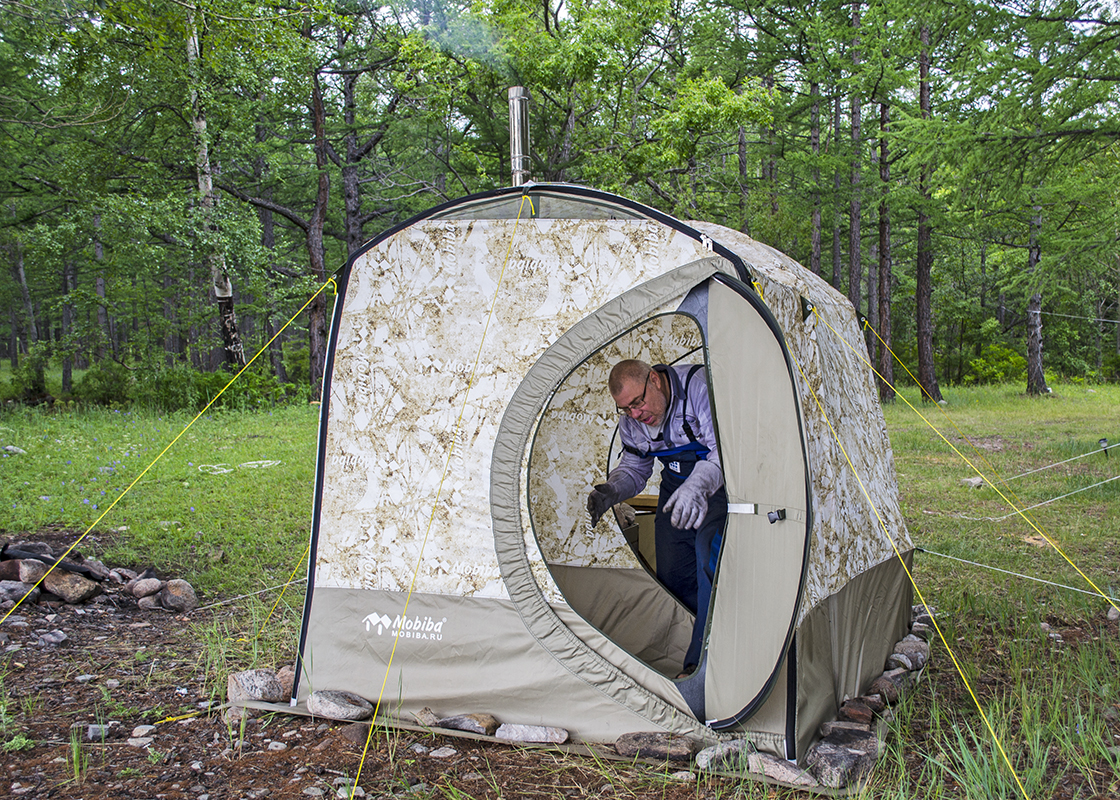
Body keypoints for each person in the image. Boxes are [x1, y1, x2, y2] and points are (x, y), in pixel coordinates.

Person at [587, 359, 727, 678]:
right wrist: (611, 490)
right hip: (675, 486)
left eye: (638, 402)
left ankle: (702, 665)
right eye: (626, 409)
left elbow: (725, 450)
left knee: (709, 557)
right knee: (672, 570)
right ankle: (683, 645)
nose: (636, 414)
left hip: (718, 486)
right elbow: (635, 469)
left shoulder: (699, 387)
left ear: (655, 380)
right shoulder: (632, 421)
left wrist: (697, 486)